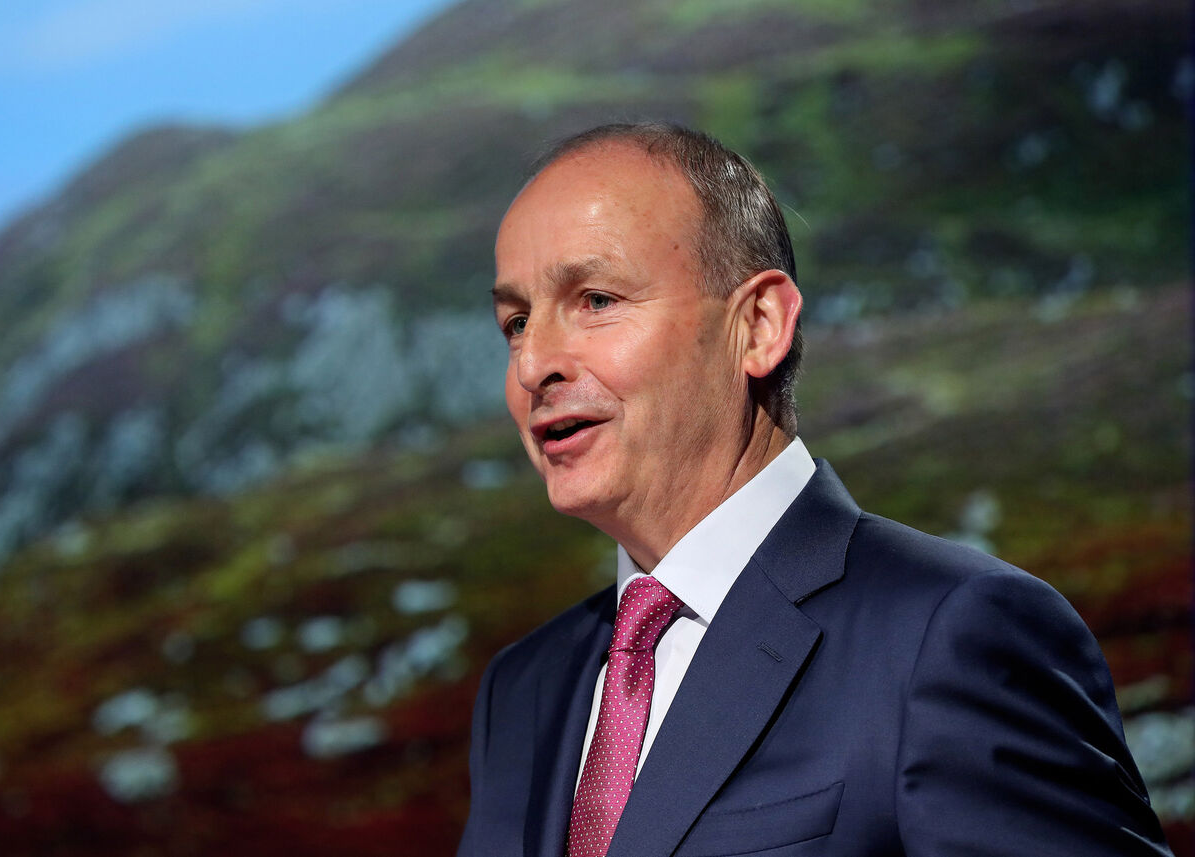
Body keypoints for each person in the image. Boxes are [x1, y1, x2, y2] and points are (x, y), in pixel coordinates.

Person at [457, 122, 1171, 857]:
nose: (532, 363)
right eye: (517, 322)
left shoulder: (949, 634)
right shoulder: (522, 688)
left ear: (759, 326)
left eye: (597, 299)